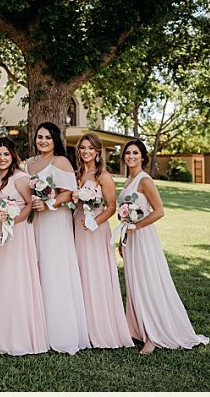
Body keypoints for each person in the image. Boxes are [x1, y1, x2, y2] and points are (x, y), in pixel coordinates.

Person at [119, 138, 209, 353]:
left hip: (143, 238)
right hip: (130, 238)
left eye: (135, 153)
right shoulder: (127, 180)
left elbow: (159, 211)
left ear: (143, 157)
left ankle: (153, 336)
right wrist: (122, 239)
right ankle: (137, 328)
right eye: (128, 153)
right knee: (134, 283)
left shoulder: (144, 180)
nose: (130, 156)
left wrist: (137, 226)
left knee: (148, 282)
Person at [26, 121, 89, 353]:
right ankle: (38, 325)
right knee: (37, 267)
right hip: (35, 220)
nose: (43, 141)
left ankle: (60, 331)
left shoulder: (60, 161)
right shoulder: (29, 163)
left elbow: (69, 193)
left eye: (48, 138)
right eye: (39, 136)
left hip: (54, 220)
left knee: (54, 269)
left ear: (55, 141)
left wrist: (48, 203)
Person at [0, 139, 48, 356]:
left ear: (13, 156)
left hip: (18, 233)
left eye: (6, 154)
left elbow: (31, 204)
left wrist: (13, 221)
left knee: (17, 278)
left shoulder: (20, 177)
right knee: (0, 279)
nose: (2, 158)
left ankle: (20, 335)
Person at [71, 133, 133, 349]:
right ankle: (83, 325)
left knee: (95, 274)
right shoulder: (77, 174)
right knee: (80, 273)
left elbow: (111, 207)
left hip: (95, 231)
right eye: (82, 148)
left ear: (98, 152)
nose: (86, 152)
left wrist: (94, 222)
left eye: (90, 148)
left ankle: (101, 327)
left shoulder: (103, 176)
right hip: (78, 227)